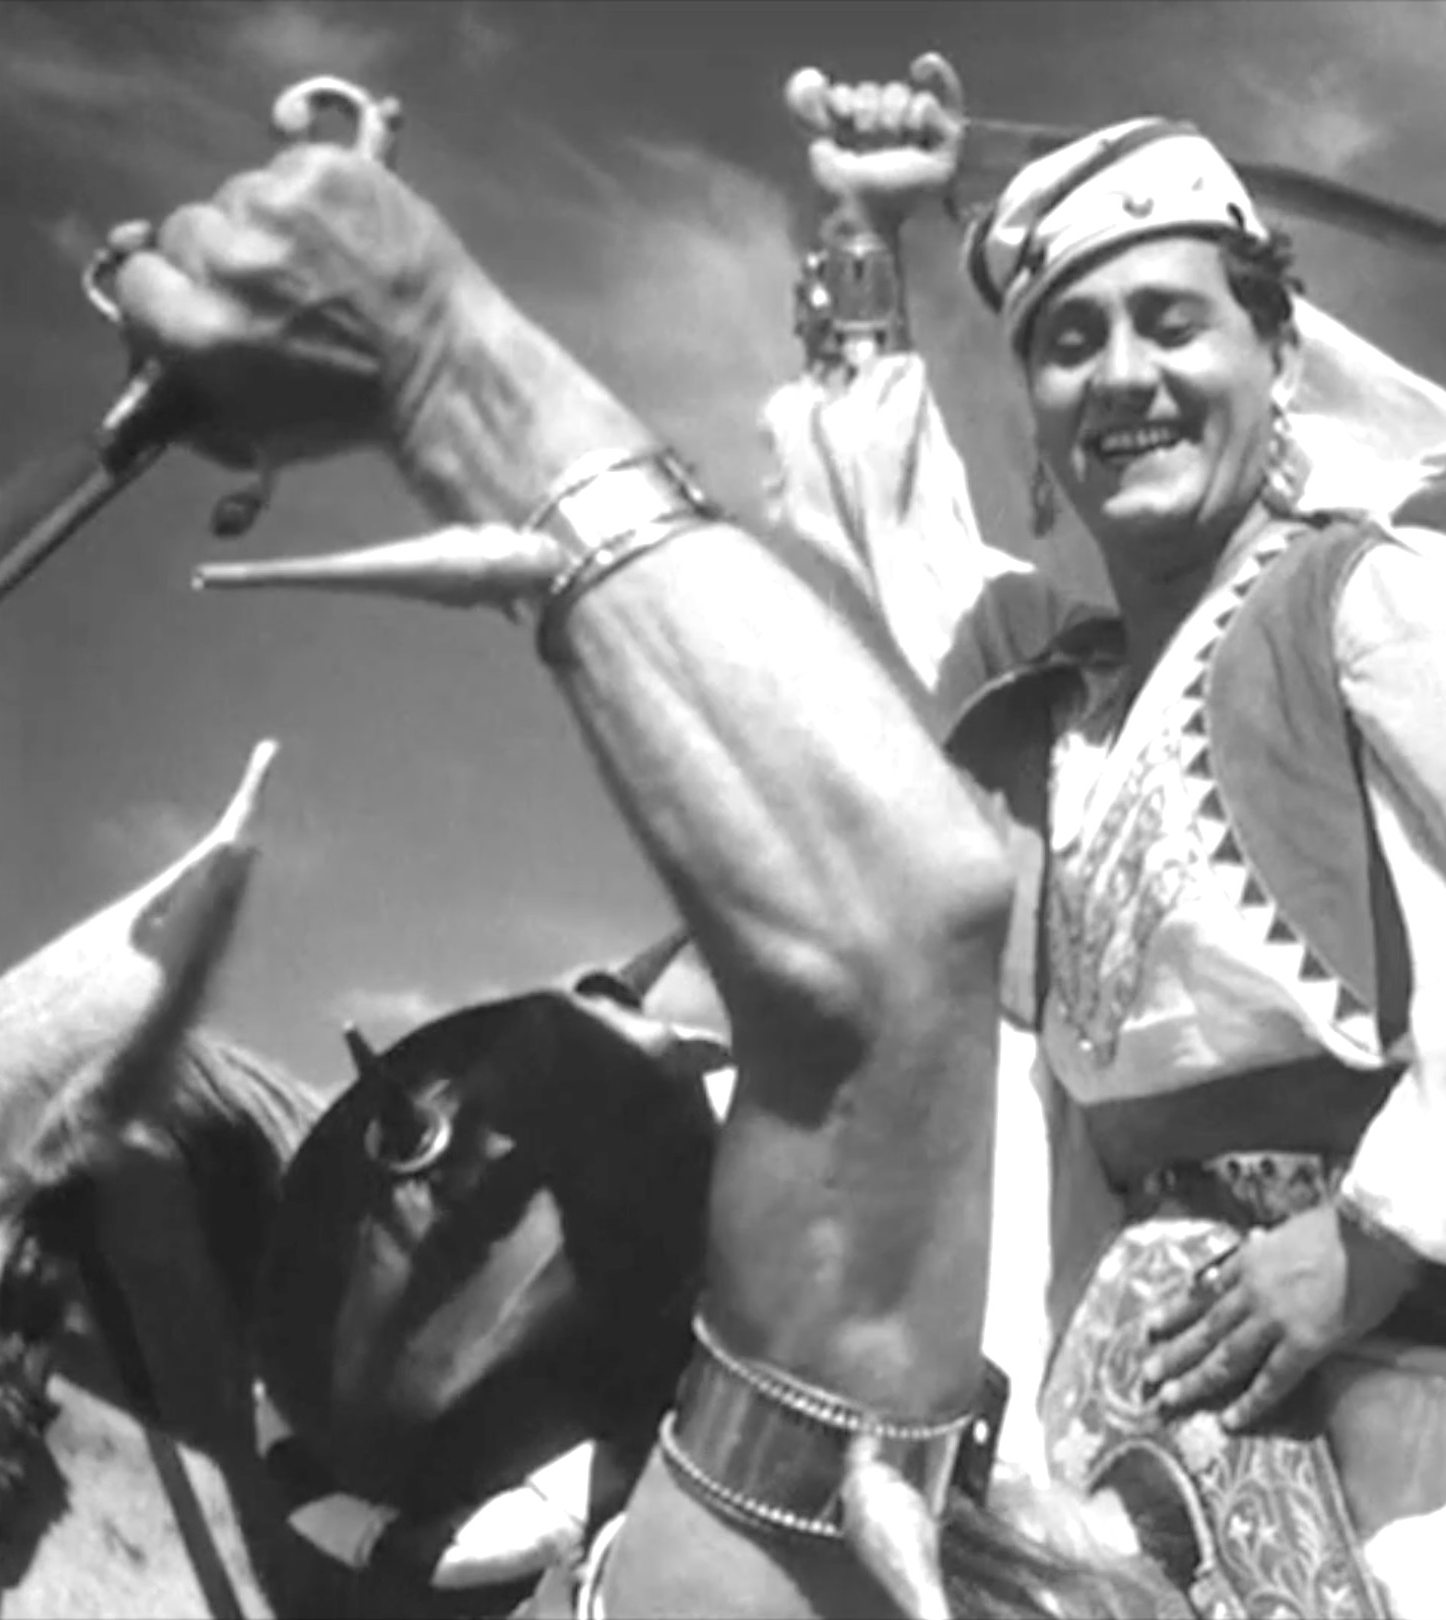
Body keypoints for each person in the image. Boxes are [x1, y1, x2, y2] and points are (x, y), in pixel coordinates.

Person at [766, 55, 1446, 1617]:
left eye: (1173, 323)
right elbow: (903, 557)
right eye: (1071, 343)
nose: (1124, 376)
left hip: (1404, 1397)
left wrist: (1369, 1242)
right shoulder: (1061, 688)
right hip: (1130, 1387)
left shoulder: (1370, 601)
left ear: (1277, 355)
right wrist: (863, 235)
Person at [97, 99, 1115, 1618]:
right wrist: (429, 353)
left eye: (1169, 321)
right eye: (1074, 337)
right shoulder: (1008, 665)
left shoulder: (1340, 606)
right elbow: (899, 882)